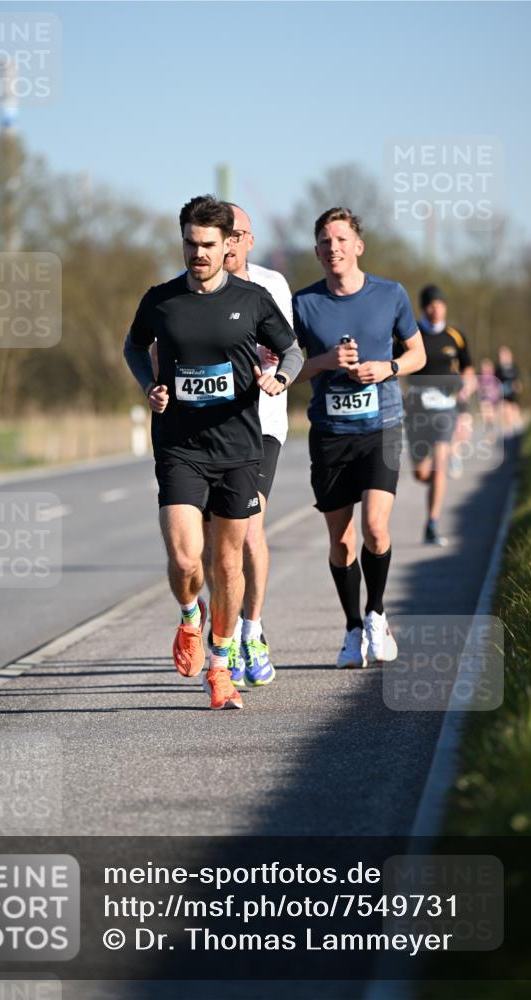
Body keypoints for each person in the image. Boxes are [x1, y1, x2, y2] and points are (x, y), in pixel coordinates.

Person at [124, 195, 303, 710]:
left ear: (228, 245)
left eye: (207, 244)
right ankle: (189, 617)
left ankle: (220, 668)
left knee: (227, 564)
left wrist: (280, 377)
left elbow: (291, 348)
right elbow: (134, 347)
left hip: (238, 449)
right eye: (190, 243)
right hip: (179, 446)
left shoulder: (253, 299)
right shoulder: (161, 300)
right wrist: (149, 385)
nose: (197, 253)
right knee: (185, 559)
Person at [293, 208, 426, 669]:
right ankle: (352, 628)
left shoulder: (390, 294)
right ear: (317, 251)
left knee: (375, 528)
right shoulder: (303, 304)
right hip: (330, 434)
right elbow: (286, 370)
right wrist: (325, 361)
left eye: (341, 239)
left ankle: (377, 614)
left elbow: (417, 353)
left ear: (358, 246)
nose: (333, 248)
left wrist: (387, 368)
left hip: (381, 427)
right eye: (325, 241)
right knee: (342, 541)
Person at [200, 203, 293, 689]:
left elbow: (286, 348)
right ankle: (228, 629)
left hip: (262, 425)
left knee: (250, 531)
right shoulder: (194, 288)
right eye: (224, 234)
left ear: (248, 241)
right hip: (207, 429)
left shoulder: (272, 286)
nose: (230, 242)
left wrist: (275, 364)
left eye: (237, 234)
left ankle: (252, 631)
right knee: (212, 543)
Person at [404, 285, 474, 547]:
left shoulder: (455, 336)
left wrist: (465, 387)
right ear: (424, 308)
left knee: (440, 465)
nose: (436, 309)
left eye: (440, 304)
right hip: (417, 410)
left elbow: (468, 367)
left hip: (446, 408)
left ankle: (432, 524)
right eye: (431, 305)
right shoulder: (411, 334)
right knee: (422, 473)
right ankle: (439, 473)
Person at [495, 346, 522, 434]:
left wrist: (517, 386)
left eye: (505, 355)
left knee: (515, 416)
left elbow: (518, 384)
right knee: (506, 413)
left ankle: (515, 433)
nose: (504, 358)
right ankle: (508, 433)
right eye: (502, 356)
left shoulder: (515, 368)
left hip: (513, 397)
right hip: (503, 398)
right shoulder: (498, 370)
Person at [478, 358, 503, 441]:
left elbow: (499, 388)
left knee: (492, 418)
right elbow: (479, 389)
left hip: (494, 399)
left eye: (487, 367)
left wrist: (496, 394)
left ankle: (492, 433)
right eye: (484, 367)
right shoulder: (481, 377)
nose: (486, 369)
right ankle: (488, 433)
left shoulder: (495, 376)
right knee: (487, 416)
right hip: (485, 400)